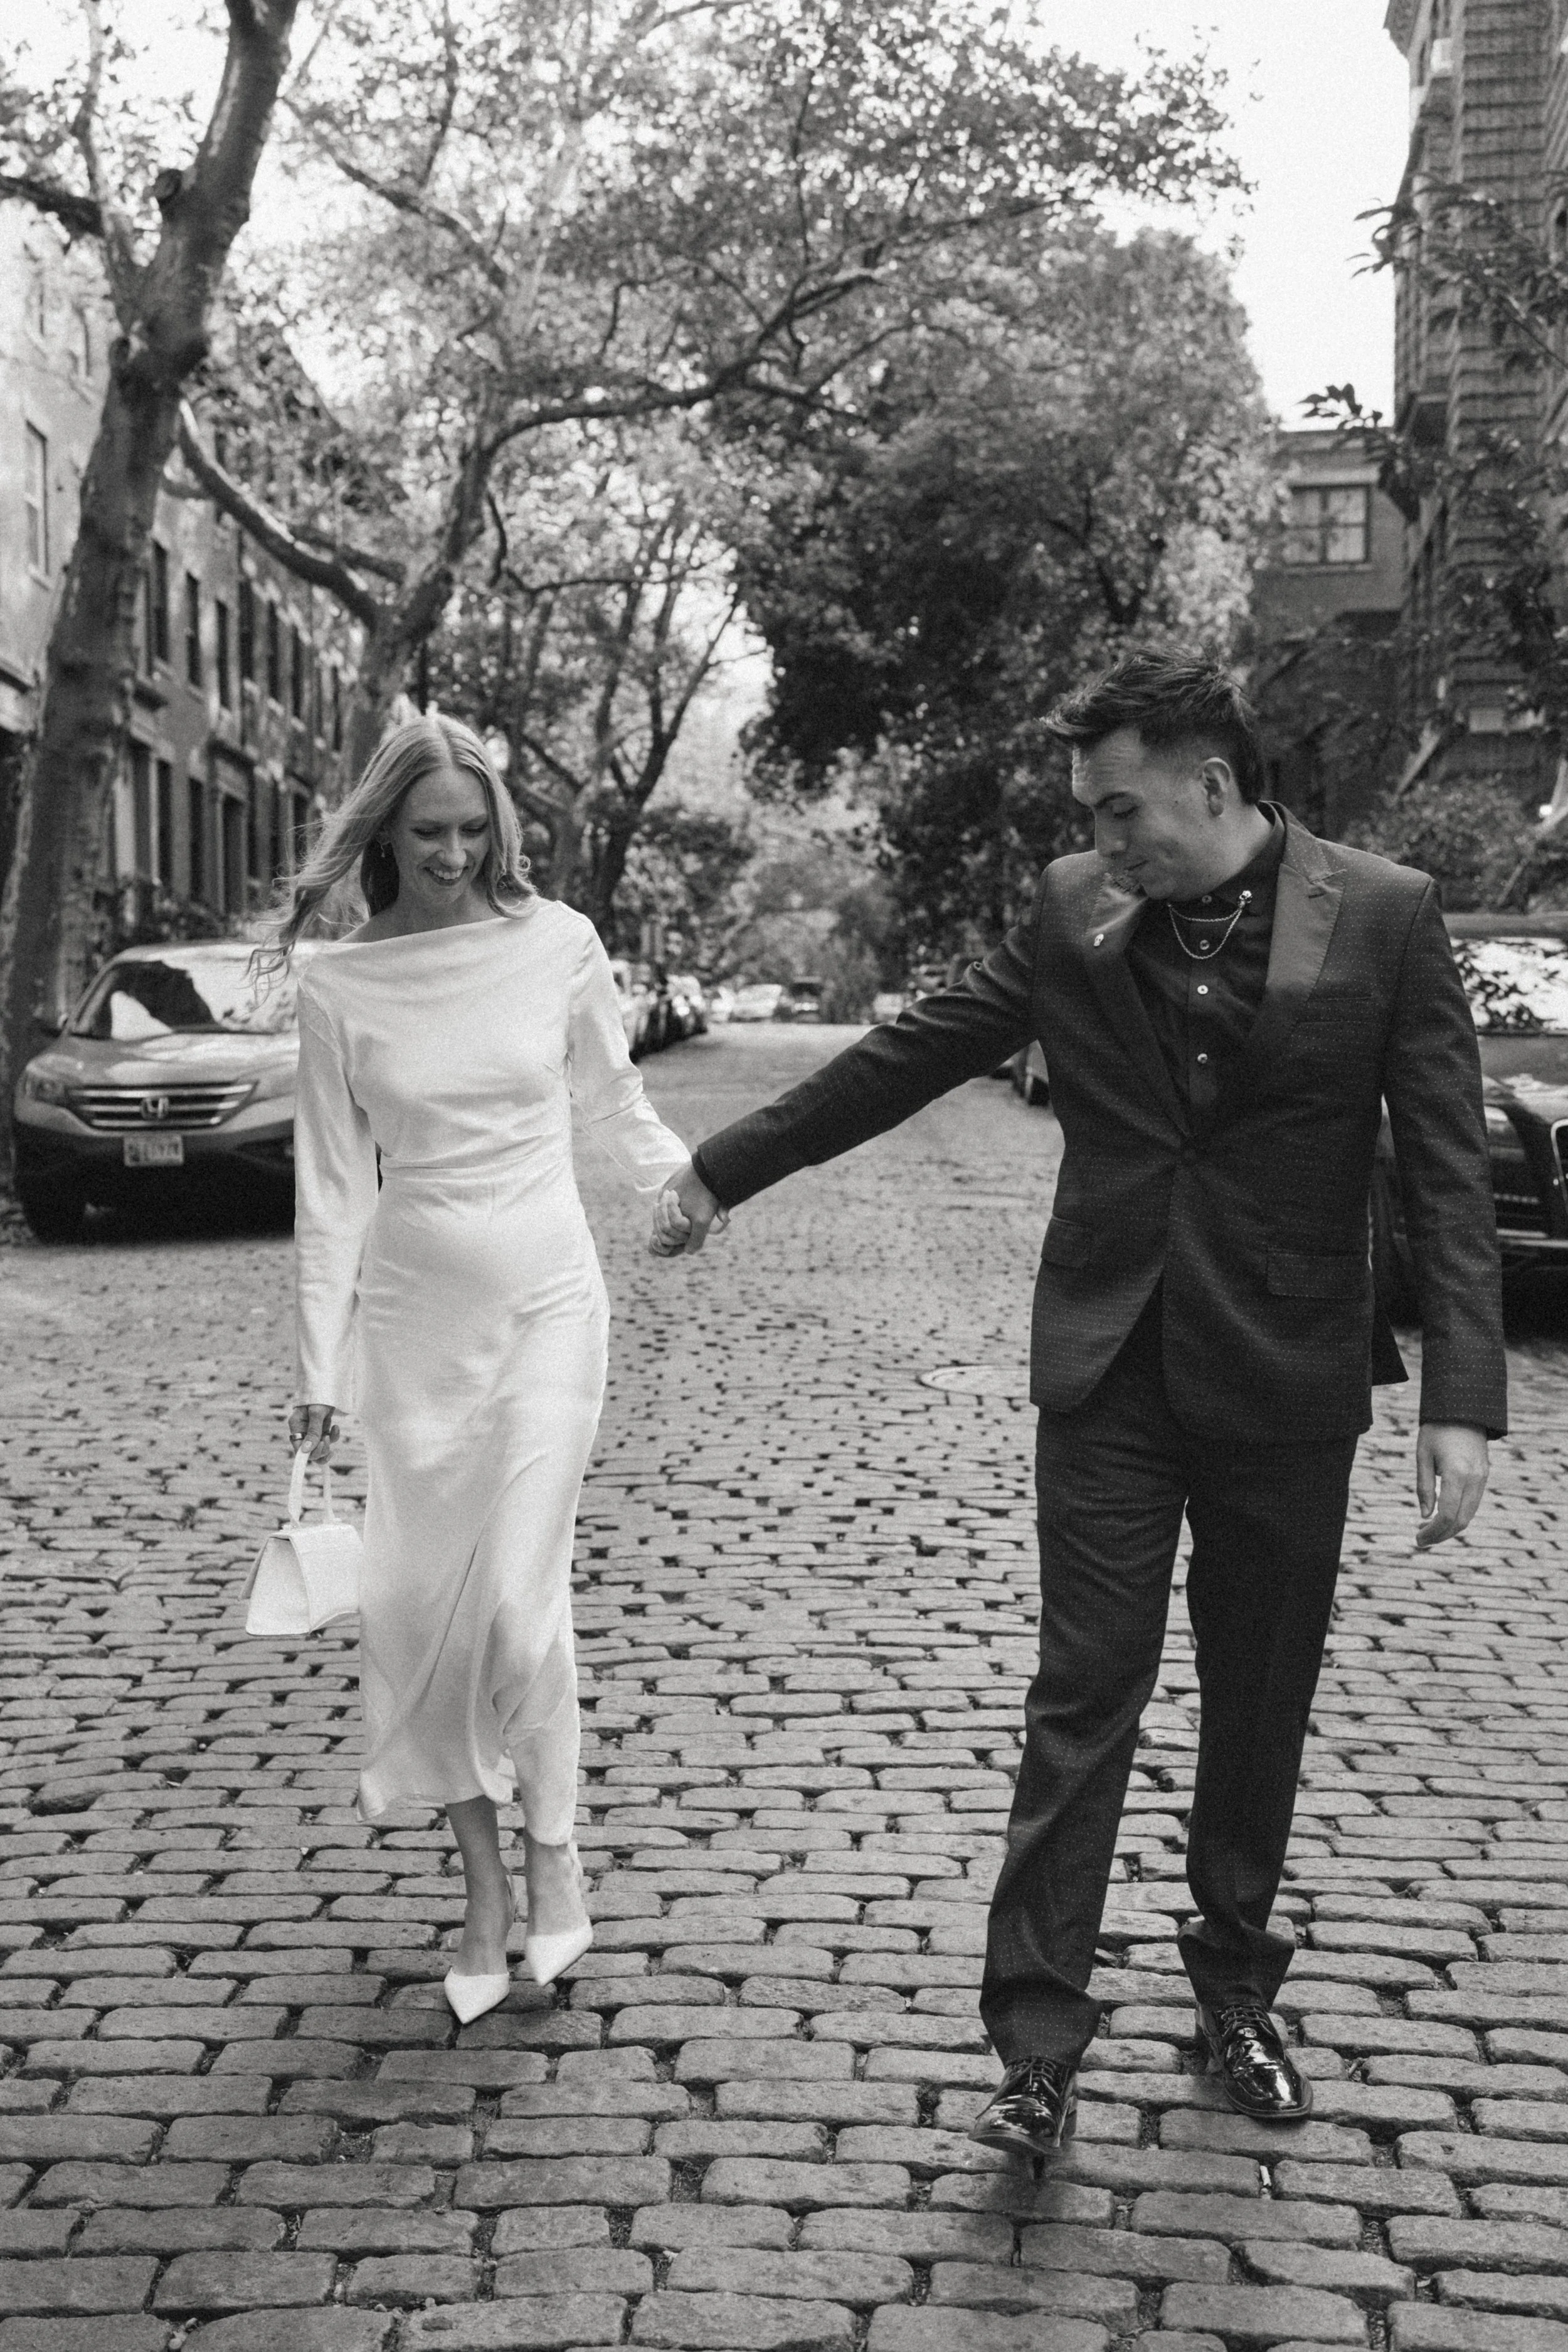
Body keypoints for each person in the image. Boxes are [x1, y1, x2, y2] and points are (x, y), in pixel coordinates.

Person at [650, 652, 1506, 2153]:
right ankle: (1034, 2046)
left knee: (1256, 1708)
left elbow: (1441, 1162)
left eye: (1120, 813)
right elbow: (919, 1051)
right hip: (1106, 1367)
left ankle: (1235, 1992)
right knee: (1080, 1699)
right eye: (1089, 819)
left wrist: (1461, 1397)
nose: (1100, 844)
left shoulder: (1382, 909)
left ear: (1213, 786)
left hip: (1287, 1375)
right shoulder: (1074, 910)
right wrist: (726, 1167)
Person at [278, 714, 690, 2023]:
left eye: (474, 831)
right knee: (413, 1611)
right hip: (411, 1325)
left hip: (548, 1304)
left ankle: (554, 1850)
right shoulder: (338, 981)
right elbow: (331, 1193)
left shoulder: (557, 942)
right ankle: (483, 1886)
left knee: (516, 1603)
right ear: (385, 837)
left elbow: (608, 1100)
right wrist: (319, 1374)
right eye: (429, 833)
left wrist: (687, 1182)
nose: (455, 855)